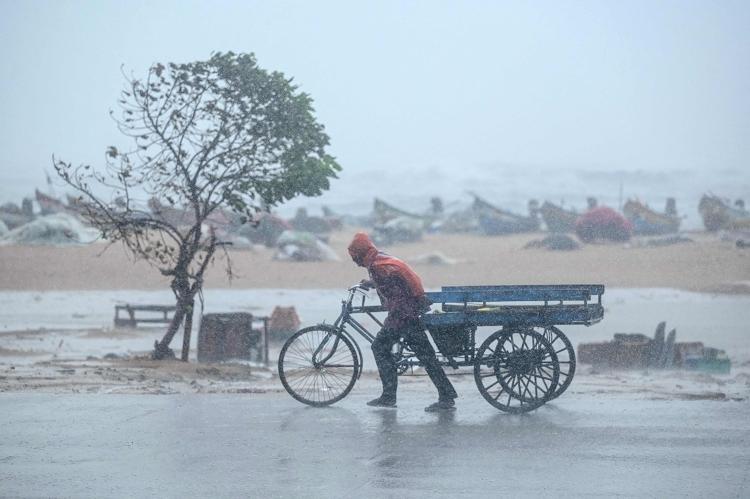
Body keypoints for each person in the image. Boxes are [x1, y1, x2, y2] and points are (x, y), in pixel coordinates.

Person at [347, 232, 458, 412]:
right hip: (411, 310)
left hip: (405, 315)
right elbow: (395, 281)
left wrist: (393, 321)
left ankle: (389, 396)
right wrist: (372, 283)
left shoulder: (377, 267)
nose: (355, 263)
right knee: (426, 355)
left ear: (361, 254)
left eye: (355, 258)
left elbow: (397, 296)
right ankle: (446, 394)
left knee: (380, 347)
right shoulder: (380, 259)